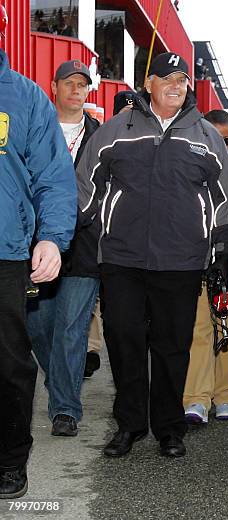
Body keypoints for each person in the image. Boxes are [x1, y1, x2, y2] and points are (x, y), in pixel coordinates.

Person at [76, 52, 228, 459]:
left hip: (181, 263)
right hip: (121, 260)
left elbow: (226, 199)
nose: (176, 85)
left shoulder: (207, 136)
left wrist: (220, 251)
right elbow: (85, 189)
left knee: (172, 347)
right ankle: (129, 425)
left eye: (182, 79)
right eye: (167, 78)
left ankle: (169, 428)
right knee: (125, 344)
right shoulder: (114, 130)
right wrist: (72, 236)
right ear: (149, 83)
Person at [0, 5, 77, 498]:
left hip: (6, 254)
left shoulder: (25, 97)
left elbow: (53, 178)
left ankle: (10, 458)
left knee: (8, 363)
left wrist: (51, 237)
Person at [26, 60, 100, 437]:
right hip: (37, 245)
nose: (76, 90)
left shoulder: (101, 135)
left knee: (72, 328)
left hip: (85, 249)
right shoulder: (34, 126)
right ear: (54, 86)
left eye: (82, 85)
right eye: (69, 83)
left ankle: (65, 409)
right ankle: (60, 383)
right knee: (39, 326)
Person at [183, 110, 228, 424]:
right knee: (198, 330)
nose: (221, 145)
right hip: (196, 262)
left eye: (226, 140)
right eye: (215, 139)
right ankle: (196, 398)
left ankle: (225, 395)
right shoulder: (191, 168)